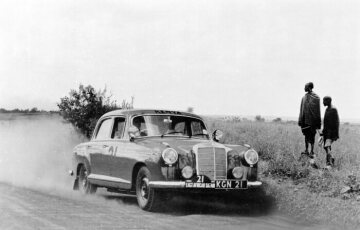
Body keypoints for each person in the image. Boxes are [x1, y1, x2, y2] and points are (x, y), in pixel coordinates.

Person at [298, 82, 321, 158]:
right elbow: (301, 109)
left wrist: (317, 122)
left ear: (310, 87)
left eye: (305, 87)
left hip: (312, 122)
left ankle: (312, 151)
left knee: (312, 136)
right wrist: (301, 120)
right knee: (306, 136)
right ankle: (306, 150)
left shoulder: (316, 98)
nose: (304, 88)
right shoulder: (304, 98)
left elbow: (317, 111)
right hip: (305, 121)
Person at [319, 96, 339, 168]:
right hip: (326, 132)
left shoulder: (333, 109)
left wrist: (335, 135)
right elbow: (326, 122)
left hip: (331, 133)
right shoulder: (327, 109)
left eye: (324, 101)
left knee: (327, 146)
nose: (323, 102)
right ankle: (330, 161)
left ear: (328, 101)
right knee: (326, 147)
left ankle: (330, 162)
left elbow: (336, 123)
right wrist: (323, 132)